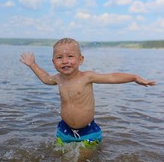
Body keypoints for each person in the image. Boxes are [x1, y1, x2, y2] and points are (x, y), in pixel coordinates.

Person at [20, 38, 156, 147]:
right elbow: (45, 79)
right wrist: (32, 64)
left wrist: (134, 77)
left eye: (70, 56)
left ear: (80, 60)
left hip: (88, 132)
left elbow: (112, 77)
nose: (65, 61)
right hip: (64, 130)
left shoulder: (87, 77)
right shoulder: (58, 78)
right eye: (59, 57)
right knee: (61, 160)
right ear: (53, 62)